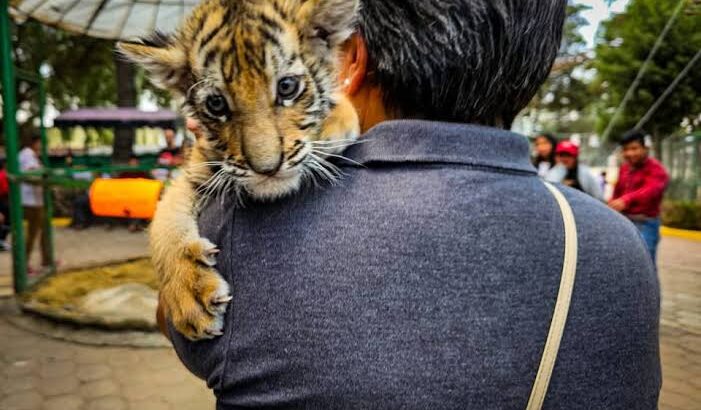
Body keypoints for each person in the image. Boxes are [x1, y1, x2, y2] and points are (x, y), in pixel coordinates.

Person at [162, 1, 660, 407]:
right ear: (533, 69)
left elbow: (182, 328)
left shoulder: (238, 226)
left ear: (348, 60)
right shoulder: (616, 250)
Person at [609, 130, 669, 263]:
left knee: (645, 265)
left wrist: (626, 200)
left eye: (634, 148)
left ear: (645, 148)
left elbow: (651, 190)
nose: (630, 153)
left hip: (645, 224)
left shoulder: (657, 170)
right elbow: (617, 190)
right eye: (626, 149)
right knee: (622, 263)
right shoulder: (624, 168)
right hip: (623, 222)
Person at [19, 135, 51, 274]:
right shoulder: (27, 155)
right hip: (30, 201)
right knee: (32, 234)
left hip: (36, 199)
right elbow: (32, 174)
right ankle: (24, 265)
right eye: (40, 142)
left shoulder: (31, 155)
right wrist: (44, 175)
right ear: (34, 142)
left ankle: (47, 259)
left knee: (45, 230)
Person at [0, 158, 10, 251]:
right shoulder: (3, 174)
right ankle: (2, 241)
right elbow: (5, 190)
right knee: (7, 221)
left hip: (3, 200)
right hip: (3, 200)